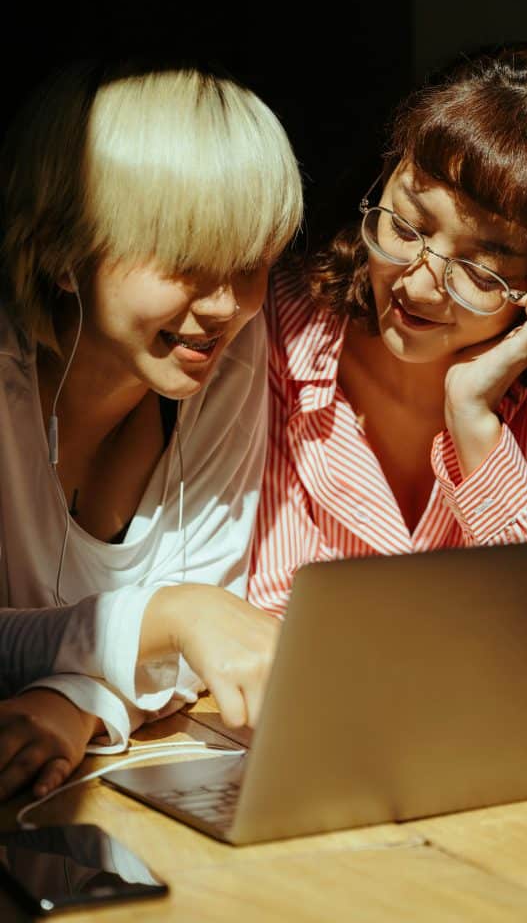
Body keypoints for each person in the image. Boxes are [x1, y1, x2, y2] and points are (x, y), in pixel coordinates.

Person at [249, 41, 527, 617]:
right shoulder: (279, 324)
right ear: (381, 181)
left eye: (480, 268)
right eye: (408, 223)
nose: (417, 286)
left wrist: (474, 423)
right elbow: (263, 602)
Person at [0, 58, 302, 798]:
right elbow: (192, 624)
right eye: (187, 265)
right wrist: (174, 613)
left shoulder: (226, 360)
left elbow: (210, 650)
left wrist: (81, 701)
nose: (226, 307)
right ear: (65, 255)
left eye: (250, 262)